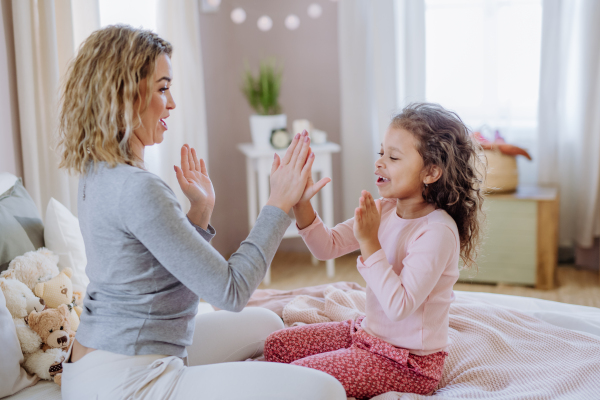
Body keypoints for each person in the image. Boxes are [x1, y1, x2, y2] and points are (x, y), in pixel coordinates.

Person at [56, 25, 346, 400]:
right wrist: (278, 205)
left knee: (268, 325)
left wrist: (200, 211)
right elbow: (231, 291)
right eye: (163, 88)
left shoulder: (99, 171)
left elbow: (160, 272)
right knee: (327, 391)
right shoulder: (138, 188)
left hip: (101, 362)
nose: (172, 103)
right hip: (128, 381)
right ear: (125, 95)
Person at [264, 103, 485, 399]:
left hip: (407, 364)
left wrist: (370, 243)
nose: (380, 163)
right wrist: (301, 205)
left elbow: (399, 306)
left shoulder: (437, 231)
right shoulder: (385, 209)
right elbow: (326, 247)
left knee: (298, 379)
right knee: (276, 346)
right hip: (366, 334)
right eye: (381, 153)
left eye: (393, 157)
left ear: (431, 172)